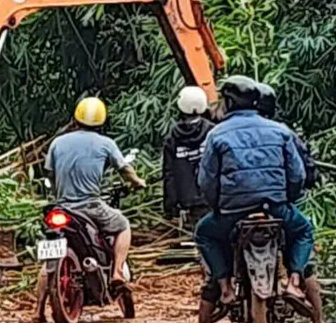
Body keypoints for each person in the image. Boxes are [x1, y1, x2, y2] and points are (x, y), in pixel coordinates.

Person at [190, 76, 334, 323]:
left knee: (204, 234)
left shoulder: (217, 134)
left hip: (233, 213)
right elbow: (298, 174)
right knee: (303, 231)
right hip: (275, 210)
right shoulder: (280, 131)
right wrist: (286, 201)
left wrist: (217, 206)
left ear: (229, 102)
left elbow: (206, 181)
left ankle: (221, 293)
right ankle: (308, 308)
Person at [45, 96, 146, 293]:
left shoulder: (57, 143)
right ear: (102, 121)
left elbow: (49, 172)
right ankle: (117, 272)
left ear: (75, 118)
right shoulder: (106, 143)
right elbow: (125, 169)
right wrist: (137, 182)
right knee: (123, 225)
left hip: (62, 208)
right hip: (90, 207)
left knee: (50, 250)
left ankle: (39, 308)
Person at [162, 86, 214, 228]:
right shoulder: (213, 133)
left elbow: (169, 175)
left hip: (188, 203)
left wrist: (170, 207)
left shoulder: (172, 138)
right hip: (212, 200)